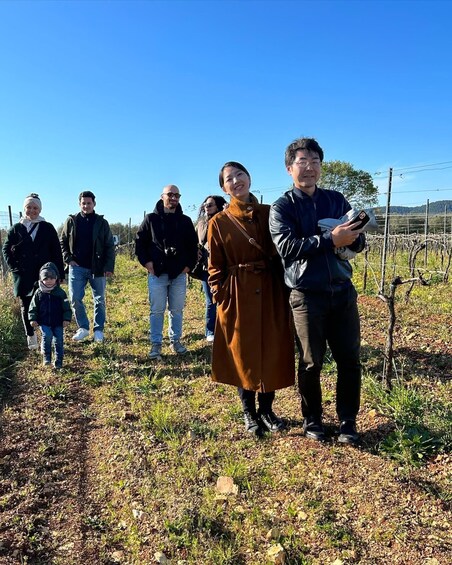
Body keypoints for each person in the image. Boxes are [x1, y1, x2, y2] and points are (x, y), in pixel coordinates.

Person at [269, 137, 365, 445]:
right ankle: (312, 419)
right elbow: (287, 247)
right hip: (306, 295)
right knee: (311, 361)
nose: (309, 168)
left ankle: (348, 421)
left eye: (315, 162)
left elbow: (358, 239)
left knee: (349, 358)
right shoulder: (282, 207)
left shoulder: (336, 199)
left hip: (342, 290)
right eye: (302, 162)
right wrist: (329, 240)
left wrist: (354, 239)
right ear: (289, 169)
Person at [208, 162, 295, 437]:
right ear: (224, 187)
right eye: (229, 179)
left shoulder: (270, 213)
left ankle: (267, 410)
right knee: (242, 352)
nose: (236, 181)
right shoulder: (218, 223)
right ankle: (249, 412)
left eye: (240, 175)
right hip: (237, 293)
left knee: (271, 348)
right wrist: (220, 296)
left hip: (271, 290)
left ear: (249, 178)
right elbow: (215, 267)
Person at [135, 185, 198, 360]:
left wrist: (188, 266)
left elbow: (193, 247)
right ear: (162, 196)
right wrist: (147, 263)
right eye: (170, 194)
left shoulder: (185, 221)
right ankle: (156, 344)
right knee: (157, 310)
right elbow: (140, 243)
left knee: (176, 310)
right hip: (157, 273)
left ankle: (175, 341)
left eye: (177, 195)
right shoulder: (151, 219)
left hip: (178, 274)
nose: (174, 198)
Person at [2, 194, 64, 350]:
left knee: (45, 305)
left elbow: (56, 251)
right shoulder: (16, 229)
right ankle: (30, 334)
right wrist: (14, 267)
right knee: (26, 305)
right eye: (29, 207)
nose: (32, 210)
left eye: (35, 207)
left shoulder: (47, 227)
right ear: (24, 209)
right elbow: (6, 249)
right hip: (23, 275)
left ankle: (45, 336)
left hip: (45, 275)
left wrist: (59, 274)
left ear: (40, 209)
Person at [60, 190, 115, 343]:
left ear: (94, 204)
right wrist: (68, 259)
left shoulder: (101, 222)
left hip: (97, 268)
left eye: (89, 203)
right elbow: (63, 241)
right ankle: (83, 328)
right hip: (76, 267)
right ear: (79, 204)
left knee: (99, 300)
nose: (86, 206)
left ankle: (98, 330)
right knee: (75, 298)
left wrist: (108, 266)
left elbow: (109, 245)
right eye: (83, 203)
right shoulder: (71, 221)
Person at [28, 262, 72, 369]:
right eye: (46, 279)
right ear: (41, 279)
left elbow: (66, 308)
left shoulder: (60, 293)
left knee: (58, 341)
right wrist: (32, 318)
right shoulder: (39, 293)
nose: (49, 281)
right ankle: (47, 358)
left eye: (52, 278)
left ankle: (59, 361)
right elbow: (32, 307)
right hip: (44, 322)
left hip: (58, 322)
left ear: (56, 279)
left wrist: (66, 318)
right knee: (47, 336)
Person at [195, 195, 227, 342]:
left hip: (225, 266)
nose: (207, 207)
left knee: (226, 299)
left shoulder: (226, 219)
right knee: (211, 300)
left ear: (218, 206)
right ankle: (210, 330)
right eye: (205, 205)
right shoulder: (201, 223)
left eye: (210, 205)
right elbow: (198, 241)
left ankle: (225, 327)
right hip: (206, 267)